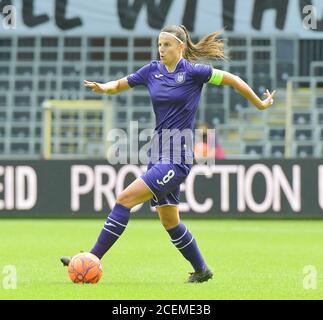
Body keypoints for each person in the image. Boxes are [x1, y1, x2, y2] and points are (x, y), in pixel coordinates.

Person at [61, 25, 275, 283]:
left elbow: (233, 79)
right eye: (159, 45)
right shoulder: (152, 70)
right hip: (158, 153)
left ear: (180, 47)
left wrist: (259, 104)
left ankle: (89, 260)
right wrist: (103, 87)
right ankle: (202, 270)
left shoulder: (196, 72)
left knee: (125, 199)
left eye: (166, 45)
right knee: (170, 221)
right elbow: (121, 84)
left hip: (179, 155)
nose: (161, 50)